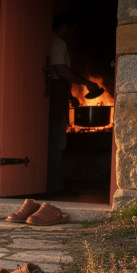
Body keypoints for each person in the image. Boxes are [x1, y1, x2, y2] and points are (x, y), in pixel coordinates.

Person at [48, 12, 102, 196]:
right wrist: (87, 83)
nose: (71, 33)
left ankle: (52, 183)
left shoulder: (56, 42)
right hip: (54, 95)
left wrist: (70, 96)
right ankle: (54, 186)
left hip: (59, 93)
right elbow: (61, 72)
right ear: (64, 26)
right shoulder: (56, 42)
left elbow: (60, 76)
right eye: (71, 29)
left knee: (56, 140)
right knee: (57, 141)